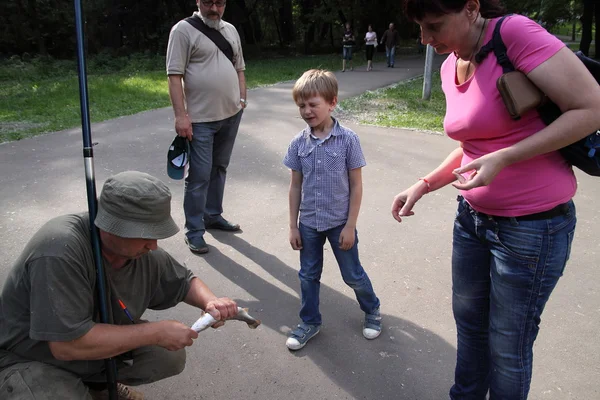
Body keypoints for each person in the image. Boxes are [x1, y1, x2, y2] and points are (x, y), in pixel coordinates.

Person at [394, 0, 600, 398]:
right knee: (470, 328)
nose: (426, 39)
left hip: (532, 230)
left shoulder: (514, 35)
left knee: (508, 346)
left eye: (435, 25)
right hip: (472, 221)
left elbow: (592, 108)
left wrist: (506, 158)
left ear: (471, 8)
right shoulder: (448, 63)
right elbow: (474, 146)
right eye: (420, 28)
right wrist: (424, 184)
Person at [0, 171, 239, 399]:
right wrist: (154, 332)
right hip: (26, 356)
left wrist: (211, 301)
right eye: (146, 234)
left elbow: (184, 281)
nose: (153, 245)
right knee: (55, 393)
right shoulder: (59, 249)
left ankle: (97, 385)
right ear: (110, 226)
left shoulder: (139, 252)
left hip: (86, 348)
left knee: (167, 356)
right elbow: (66, 346)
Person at [283, 69, 382, 351]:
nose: (306, 111)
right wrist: (293, 225)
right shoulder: (298, 143)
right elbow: (294, 187)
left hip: (340, 222)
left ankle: (372, 309)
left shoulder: (348, 139)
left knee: (352, 274)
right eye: (301, 105)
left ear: (332, 102)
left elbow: (356, 185)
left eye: (313, 104)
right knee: (308, 275)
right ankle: (310, 322)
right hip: (309, 223)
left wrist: (351, 225)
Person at [167, 0, 247, 255]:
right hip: (200, 120)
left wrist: (242, 99)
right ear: (198, 2)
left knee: (219, 167)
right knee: (199, 176)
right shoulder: (182, 30)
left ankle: (213, 215)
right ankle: (194, 231)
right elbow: (174, 76)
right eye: (209, 2)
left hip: (231, 114)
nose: (215, 8)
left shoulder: (231, 30)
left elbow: (240, 68)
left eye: (220, 3)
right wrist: (181, 116)